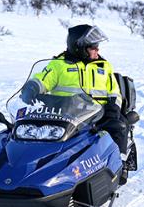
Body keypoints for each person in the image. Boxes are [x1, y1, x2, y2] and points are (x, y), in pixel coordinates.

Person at [21, 24, 131, 158]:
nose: (97, 49)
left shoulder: (104, 66)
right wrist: (32, 87)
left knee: (119, 126)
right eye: (93, 47)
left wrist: (112, 109)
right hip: (65, 114)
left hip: (100, 114)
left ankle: (119, 163)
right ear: (80, 47)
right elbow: (42, 79)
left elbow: (114, 91)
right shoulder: (59, 64)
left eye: (97, 46)